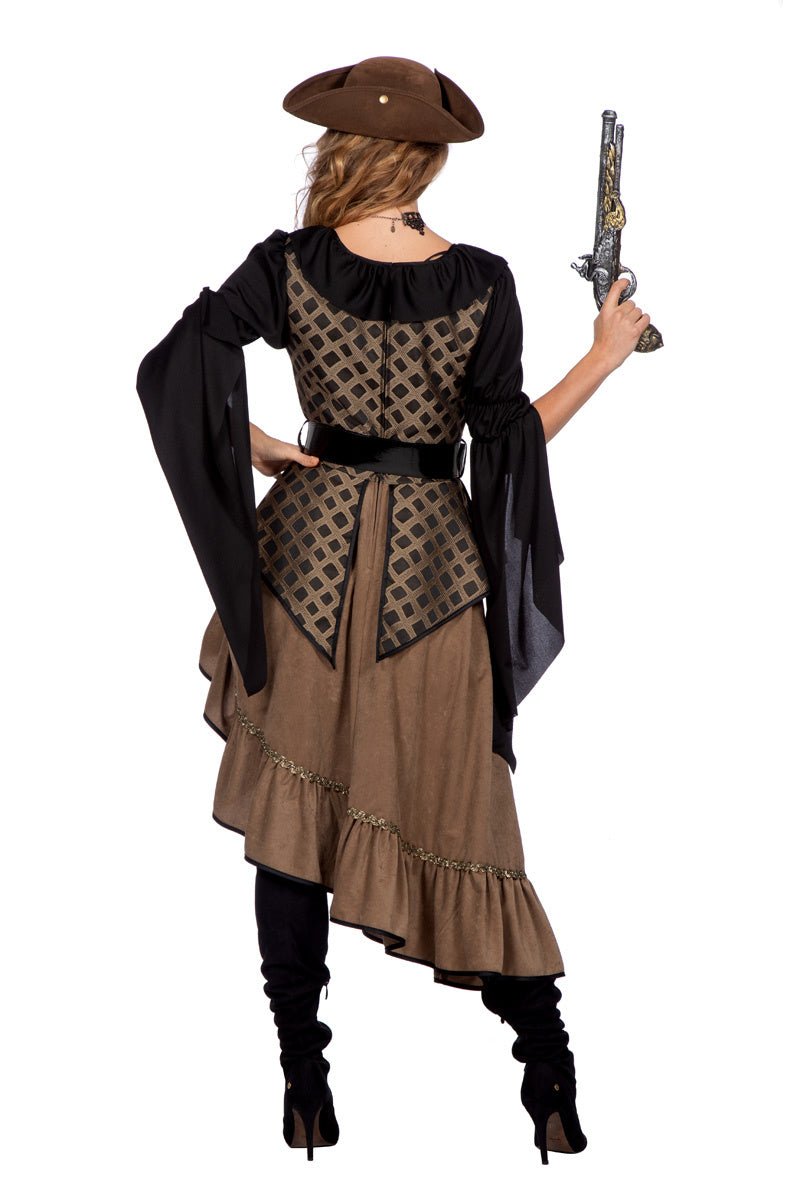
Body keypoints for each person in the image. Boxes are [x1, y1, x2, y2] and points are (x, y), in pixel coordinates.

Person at [135, 55, 649, 1165]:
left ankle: (304, 1087)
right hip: (432, 585)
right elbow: (506, 452)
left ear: (344, 150)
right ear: (428, 158)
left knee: (290, 828)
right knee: (470, 820)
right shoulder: (481, 281)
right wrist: (604, 357)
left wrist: (258, 442)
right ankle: (550, 1083)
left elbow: (178, 365)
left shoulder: (289, 264)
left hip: (304, 570)